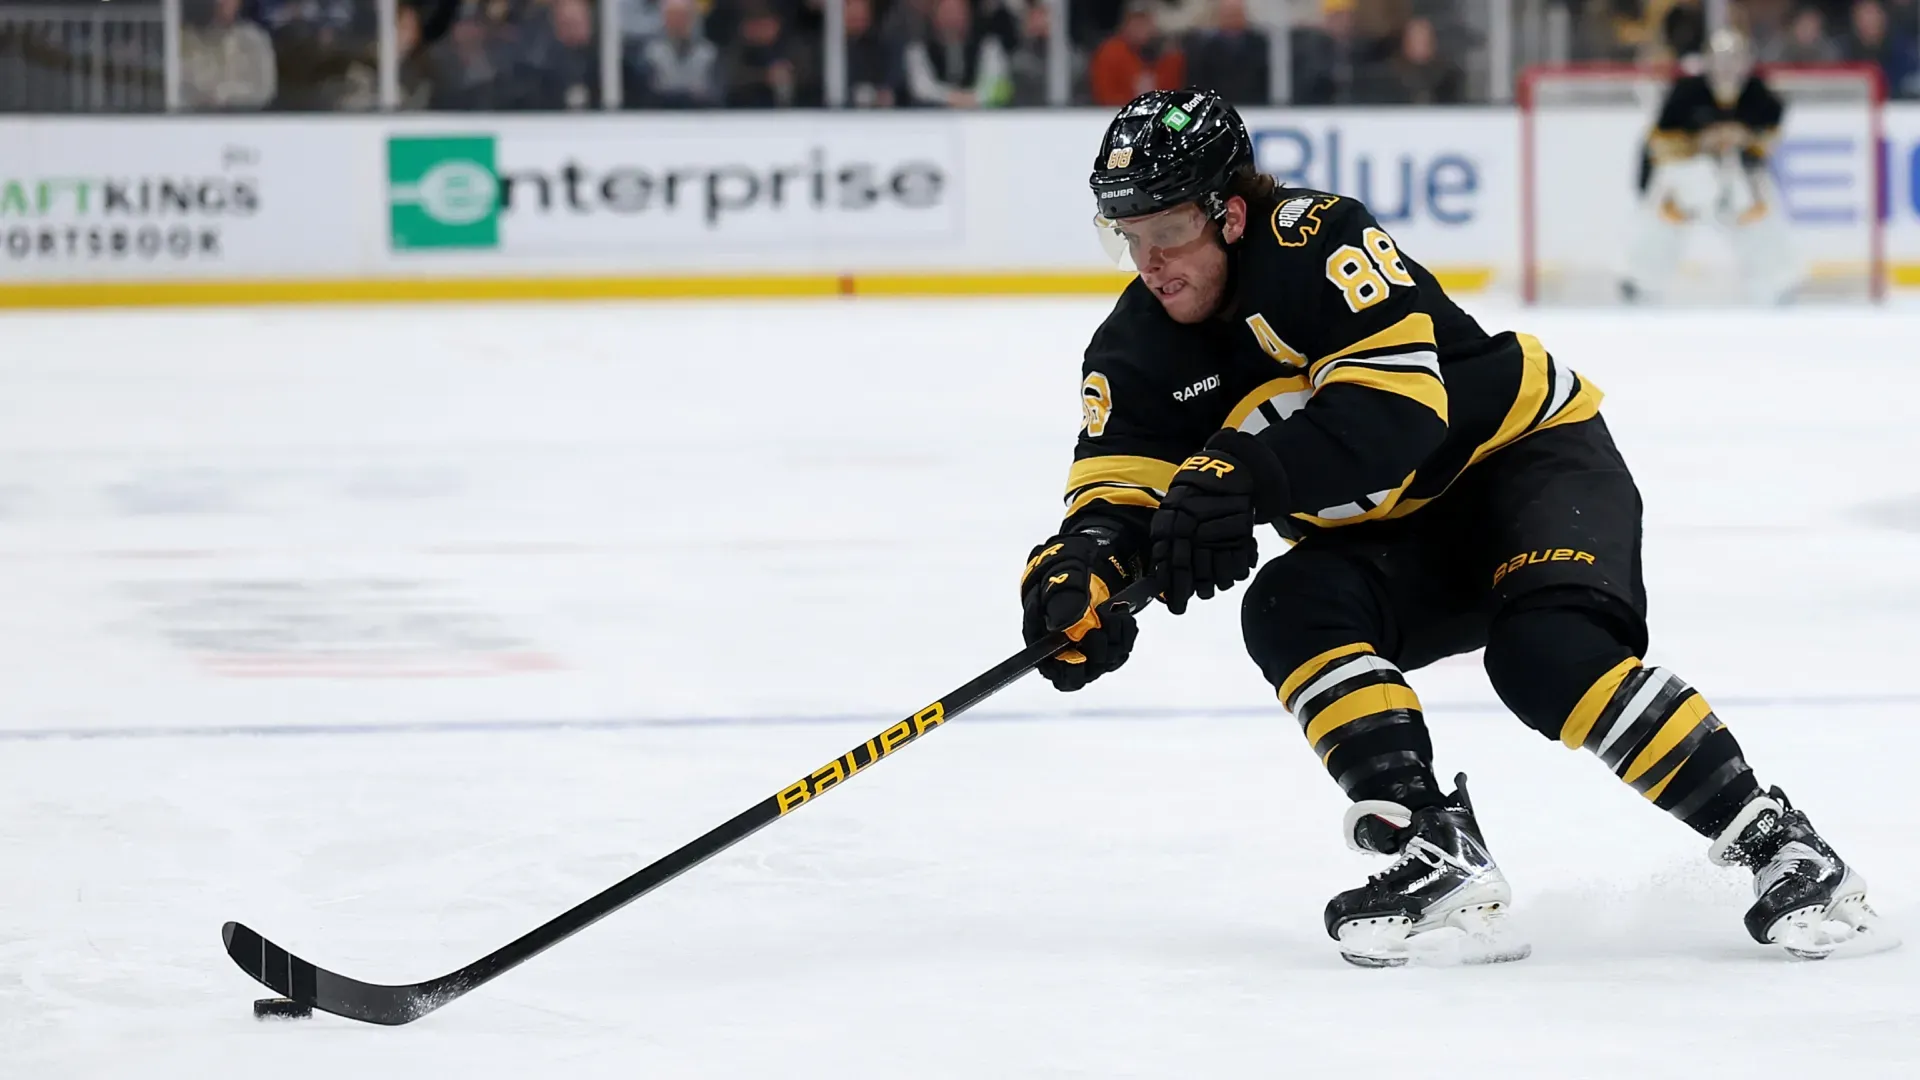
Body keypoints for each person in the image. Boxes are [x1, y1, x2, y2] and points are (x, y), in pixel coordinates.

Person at [1019, 86, 1891, 966]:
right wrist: (1078, 577)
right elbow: (1114, 496)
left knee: (1546, 658)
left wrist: (1245, 476)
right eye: (1126, 236)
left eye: (1167, 231)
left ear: (1232, 213)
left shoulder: (1317, 240)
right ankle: (1431, 846)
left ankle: (1780, 842)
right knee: (1289, 602)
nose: (1149, 262)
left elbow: (1398, 413)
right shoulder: (1132, 352)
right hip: (1393, 539)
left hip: (1520, 464)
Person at [1622, 30, 1795, 304]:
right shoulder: (1686, 93)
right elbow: (1659, 143)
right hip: (1690, 172)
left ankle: (1776, 284)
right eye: (1720, 58)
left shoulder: (1759, 94)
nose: (1727, 65)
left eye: (1734, 58)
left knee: (1755, 207)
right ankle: (1640, 281)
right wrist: (1700, 142)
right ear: (1707, 61)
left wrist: (1743, 138)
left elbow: (1769, 139)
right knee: (1667, 215)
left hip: (1739, 173)